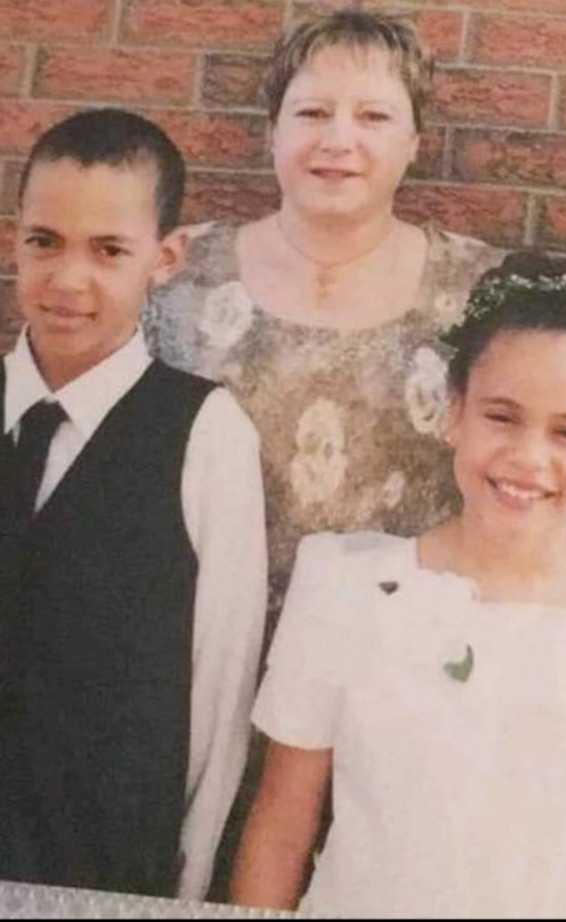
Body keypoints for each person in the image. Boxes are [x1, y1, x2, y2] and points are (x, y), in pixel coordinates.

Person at [229, 257, 566, 918]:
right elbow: (281, 826)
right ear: (455, 412)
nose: (528, 457)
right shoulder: (346, 585)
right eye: (502, 417)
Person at [143, 8, 504, 629]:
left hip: (398, 654)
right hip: (189, 641)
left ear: (414, 141)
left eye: (374, 116)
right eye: (311, 112)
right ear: (272, 131)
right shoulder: (176, 272)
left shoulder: (480, 291)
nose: (338, 139)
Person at [0, 108, 267, 900]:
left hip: (104, 869)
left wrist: (179, 893)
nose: (68, 279)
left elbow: (220, 687)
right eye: (43, 241)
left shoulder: (203, 433)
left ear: (166, 256)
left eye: (108, 250)